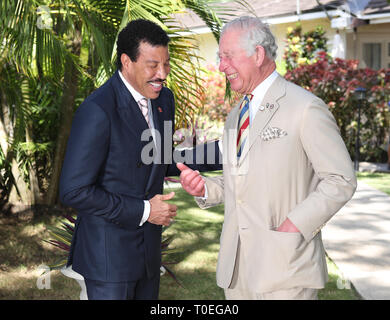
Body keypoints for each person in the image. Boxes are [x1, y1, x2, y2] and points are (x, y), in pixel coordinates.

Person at [177, 16, 357, 300]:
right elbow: (238, 180)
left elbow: (341, 180)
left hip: (285, 267)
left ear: (258, 54)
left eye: (228, 56)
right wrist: (204, 188)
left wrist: (294, 224)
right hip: (237, 271)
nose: (221, 65)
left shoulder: (306, 108)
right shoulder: (236, 115)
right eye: (219, 57)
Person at [59, 19, 221, 300]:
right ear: (126, 61)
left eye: (166, 64)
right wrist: (145, 211)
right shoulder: (97, 110)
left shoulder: (164, 99)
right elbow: (74, 190)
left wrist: (227, 151)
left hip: (147, 254)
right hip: (107, 261)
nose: (162, 74)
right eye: (152, 65)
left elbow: (159, 158)